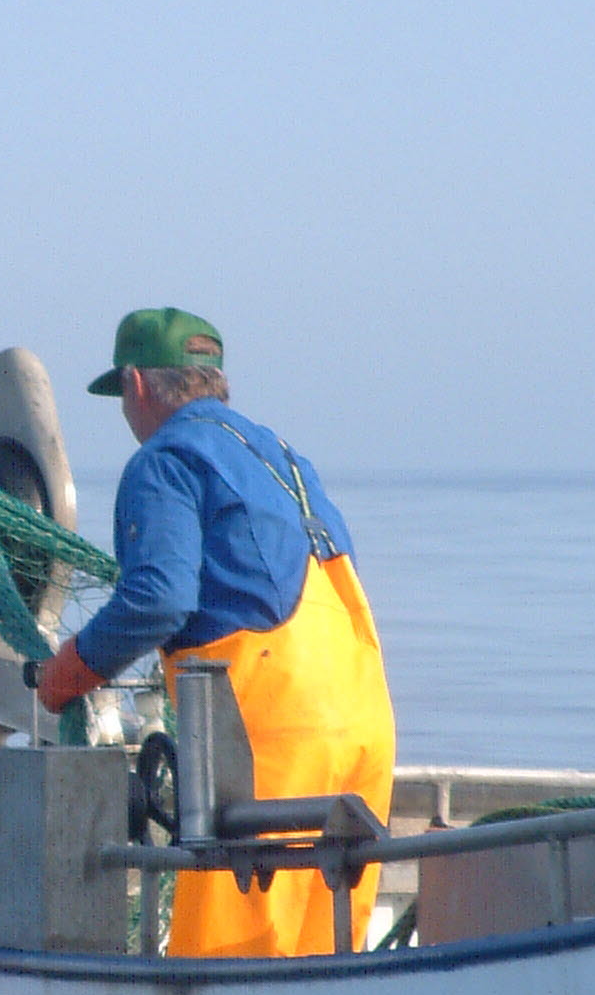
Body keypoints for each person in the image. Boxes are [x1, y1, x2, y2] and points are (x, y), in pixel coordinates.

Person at [34, 307, 395, 960]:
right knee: (328, 957)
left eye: (122, 395)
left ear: (136, 384)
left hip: (272, 737)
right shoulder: (285, 458)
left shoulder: (165, 460)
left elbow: (158, 599)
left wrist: (66, 674)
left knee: (228, 966)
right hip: (364, 721)